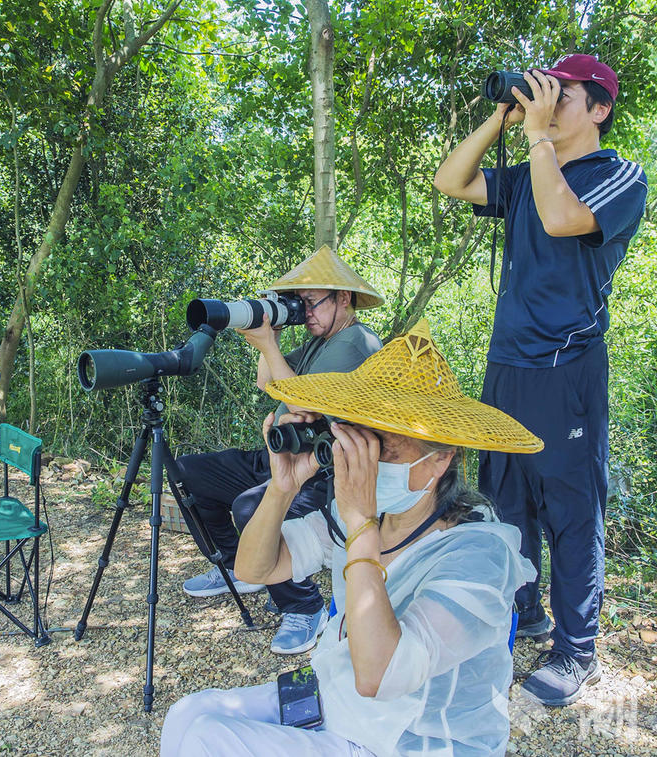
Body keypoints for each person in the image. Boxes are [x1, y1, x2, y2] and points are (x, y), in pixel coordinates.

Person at [161, 319, 542, 757]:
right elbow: (254, 568)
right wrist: (282, 488)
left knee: (208, 739)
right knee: (187, 714)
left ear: (440, 461)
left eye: (385, 445)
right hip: (337, 700)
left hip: (411, 742)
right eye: (359, 437)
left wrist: (360, 520)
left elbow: (380, 675)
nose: (365, 460)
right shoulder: (368, 518)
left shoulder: (479, 552)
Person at [432, 54, 648, 705]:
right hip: (507, 367)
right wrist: (504, 113)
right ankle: (522, 613)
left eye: (563, 94)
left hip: (565, 369)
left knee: (572, 510)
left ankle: (576, 651)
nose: (548, 103)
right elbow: (450, 179)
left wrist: (537, 137)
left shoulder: (618, 175)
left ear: (600, 108)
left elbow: (562, 220)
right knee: (506, 503)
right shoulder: (529, 173)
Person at [178, 245, 383, 655]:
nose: (304, 312)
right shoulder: (318, 337)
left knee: (250, 508)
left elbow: (302, 405)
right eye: (300, 304)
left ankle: (304, 605)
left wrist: (269, 346)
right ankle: (241, 566)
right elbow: (265, 381)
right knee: (189, 472)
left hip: (325, 470)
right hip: (285, 452)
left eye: (311, 303)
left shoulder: (355, 343)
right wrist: (269, 332)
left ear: (344, 299)